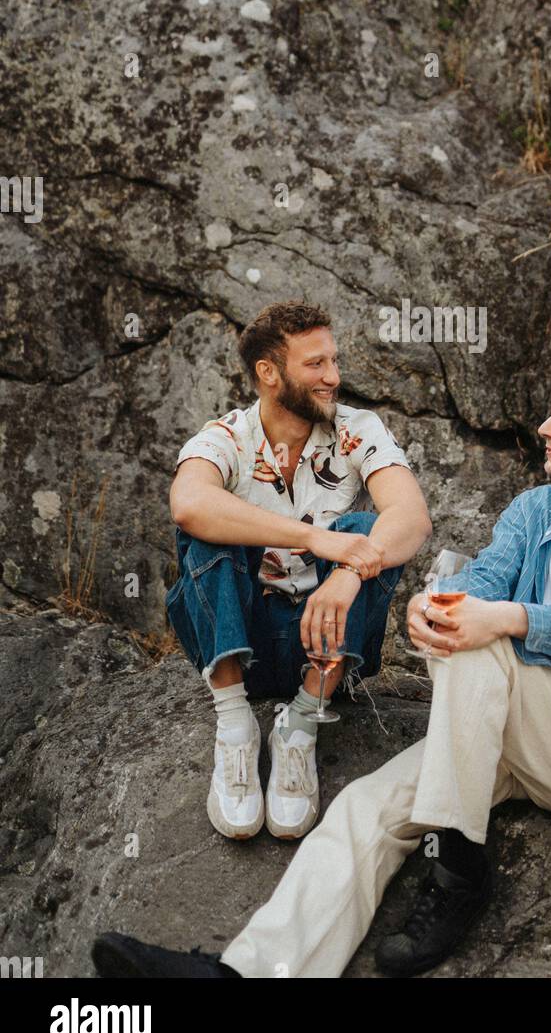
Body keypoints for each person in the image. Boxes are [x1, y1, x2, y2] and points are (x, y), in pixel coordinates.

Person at [92, 370, 551, 979]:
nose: (545, 427)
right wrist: (436, 608)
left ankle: (458, 870)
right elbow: (479, 583)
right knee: (364, 807)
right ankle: (246, 973)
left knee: (480, 641)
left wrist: (500, 617)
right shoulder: (536, 509)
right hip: (499, 733)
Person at [149, 300, 430, 845]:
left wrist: (347, 571)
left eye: (333, 361)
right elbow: (187, 504)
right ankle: (235, 728)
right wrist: (312, 537)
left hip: (324, 645)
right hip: (240, 642)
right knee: (209, 526)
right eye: (315, 365)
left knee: (365, 526)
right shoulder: (225, 437)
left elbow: (412, 518)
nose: (333, 377)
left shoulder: (357, 429)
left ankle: (300, 726)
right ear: (269, 373)